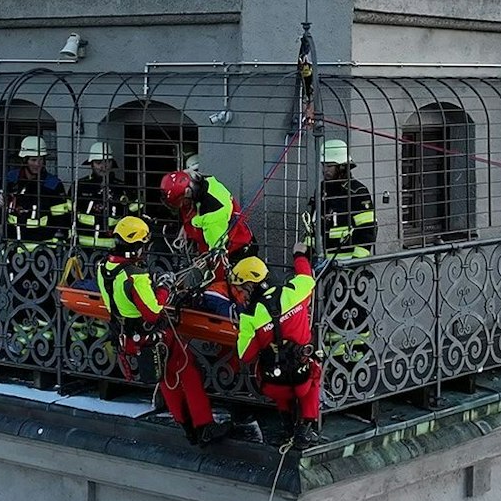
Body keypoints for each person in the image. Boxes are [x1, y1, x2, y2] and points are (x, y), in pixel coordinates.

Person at [95, 216, 229, 446]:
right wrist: (164, 288)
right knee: (187, 373)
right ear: (137, 245)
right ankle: (204, 426)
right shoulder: (134, 276)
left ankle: (188, 428)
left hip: (129, 336)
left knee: (167, 379)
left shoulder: (104, 268)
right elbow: (153, 312)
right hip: (155, 336)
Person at [232, 253, 321, 447]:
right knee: (315, 370)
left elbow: (245, 355)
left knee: (273, 364)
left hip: (273, 384)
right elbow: (307, 277)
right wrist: (299, 255)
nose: (241, 295)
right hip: (302, 379)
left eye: (241, 289)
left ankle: (287, 426)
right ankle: (306, 428)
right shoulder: (293, 291)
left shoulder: (249, 316)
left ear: (251, 285)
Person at [302, 139, 376, 261]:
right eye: (323, 165)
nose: (325, 170)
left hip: (347, 262)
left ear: (342, 167)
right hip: (322, 261)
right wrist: (306, 251)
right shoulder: (321, 189)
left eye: (330, 166)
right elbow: (314, 224)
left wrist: (355, 263)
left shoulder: (357, 191)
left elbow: (368, 230)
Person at [72, 142, 142, 256]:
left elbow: (136, 218)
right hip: (83, 251)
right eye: (98, 162)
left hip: (114, 251)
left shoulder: (123, 188)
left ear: (112, 163)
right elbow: (69, 216)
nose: (103, 167)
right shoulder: (80, 186)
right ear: (91, 164)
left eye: (106, 162)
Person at [3, 136, 71, 249]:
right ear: (24, 160)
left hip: (43, 249)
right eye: (33, 160)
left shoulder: (53, 184)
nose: (38, 164)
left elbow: (62, 220)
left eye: (41, 160)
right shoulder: (11, 178)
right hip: (13, 246)